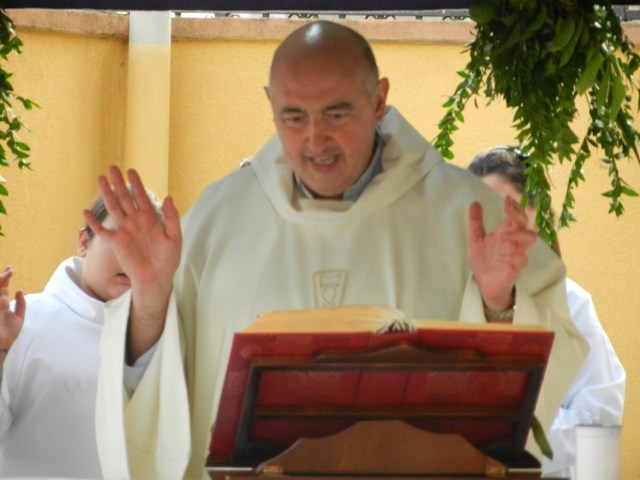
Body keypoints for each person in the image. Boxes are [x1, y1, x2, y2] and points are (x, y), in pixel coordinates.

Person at [89, 21, 589, 479]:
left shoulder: (467, 214)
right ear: (270, 104)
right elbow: (162, 404)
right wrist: (151, 301)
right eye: (293, 116)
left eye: (336, 113)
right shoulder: (219, 220)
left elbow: (540, 381)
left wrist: (498, 304)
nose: (315, 139)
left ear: (379, 100)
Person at [468, 146, 626, 479]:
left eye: (506, 210)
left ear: (537, 219)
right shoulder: (448, 302)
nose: (496, 229)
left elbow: (597, 420)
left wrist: (503, 441)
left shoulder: (572, 304)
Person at [0, 191, 162, 478]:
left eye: (146, 244)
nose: (131, 255)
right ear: (84, 242)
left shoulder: (164, 339)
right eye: (119, 237)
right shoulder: (21, 323)